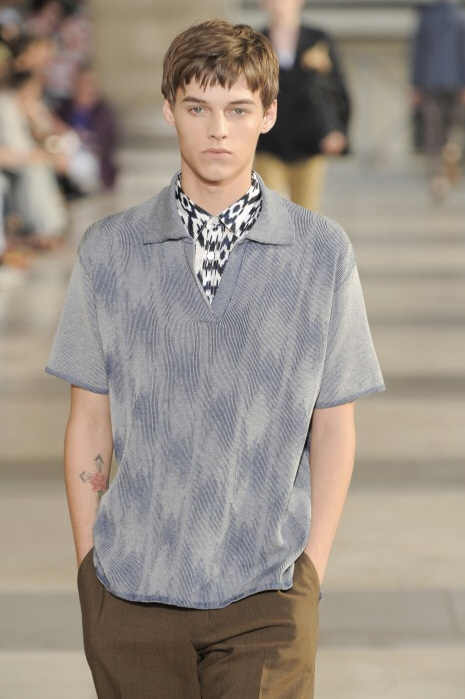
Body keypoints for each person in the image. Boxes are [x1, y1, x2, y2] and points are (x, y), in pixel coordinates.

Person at [46, 19, 384, 699]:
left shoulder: (321, 253)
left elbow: (332, 425)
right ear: (169, 109)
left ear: (268, 114)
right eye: (198, 108)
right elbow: (90, 420)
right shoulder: (109, 251)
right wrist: (90, 573)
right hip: (132, 593)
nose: (218, 131)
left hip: (268, 597)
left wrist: (308, 573)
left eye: (237, 110)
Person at [255, 0, 350, 212]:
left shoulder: (317, 39)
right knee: (268, 210)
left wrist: (338, 129)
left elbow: (336, 87)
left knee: (307, 214)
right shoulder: (256, 42)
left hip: (310, 141)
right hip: (269, 141)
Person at [411, 0, 465, 199]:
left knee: (434, 132)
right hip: (454, 83)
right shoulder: (460, 16)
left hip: (430, 82)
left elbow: (418, 53)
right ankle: (447, 167)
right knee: (452, 130)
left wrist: (415, 84)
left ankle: (438, 176)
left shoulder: (427, 16)